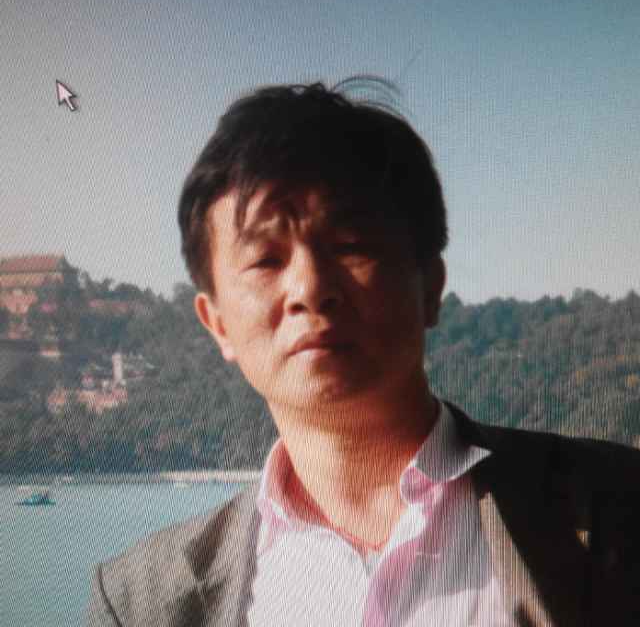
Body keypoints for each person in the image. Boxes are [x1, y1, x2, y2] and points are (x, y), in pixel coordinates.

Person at [87, 78, 640, 627]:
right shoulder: (140, 603)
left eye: (349, 245)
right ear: (218, 324)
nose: (309, 288)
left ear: (430, 286)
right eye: (266, 260)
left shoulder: (621, 508)